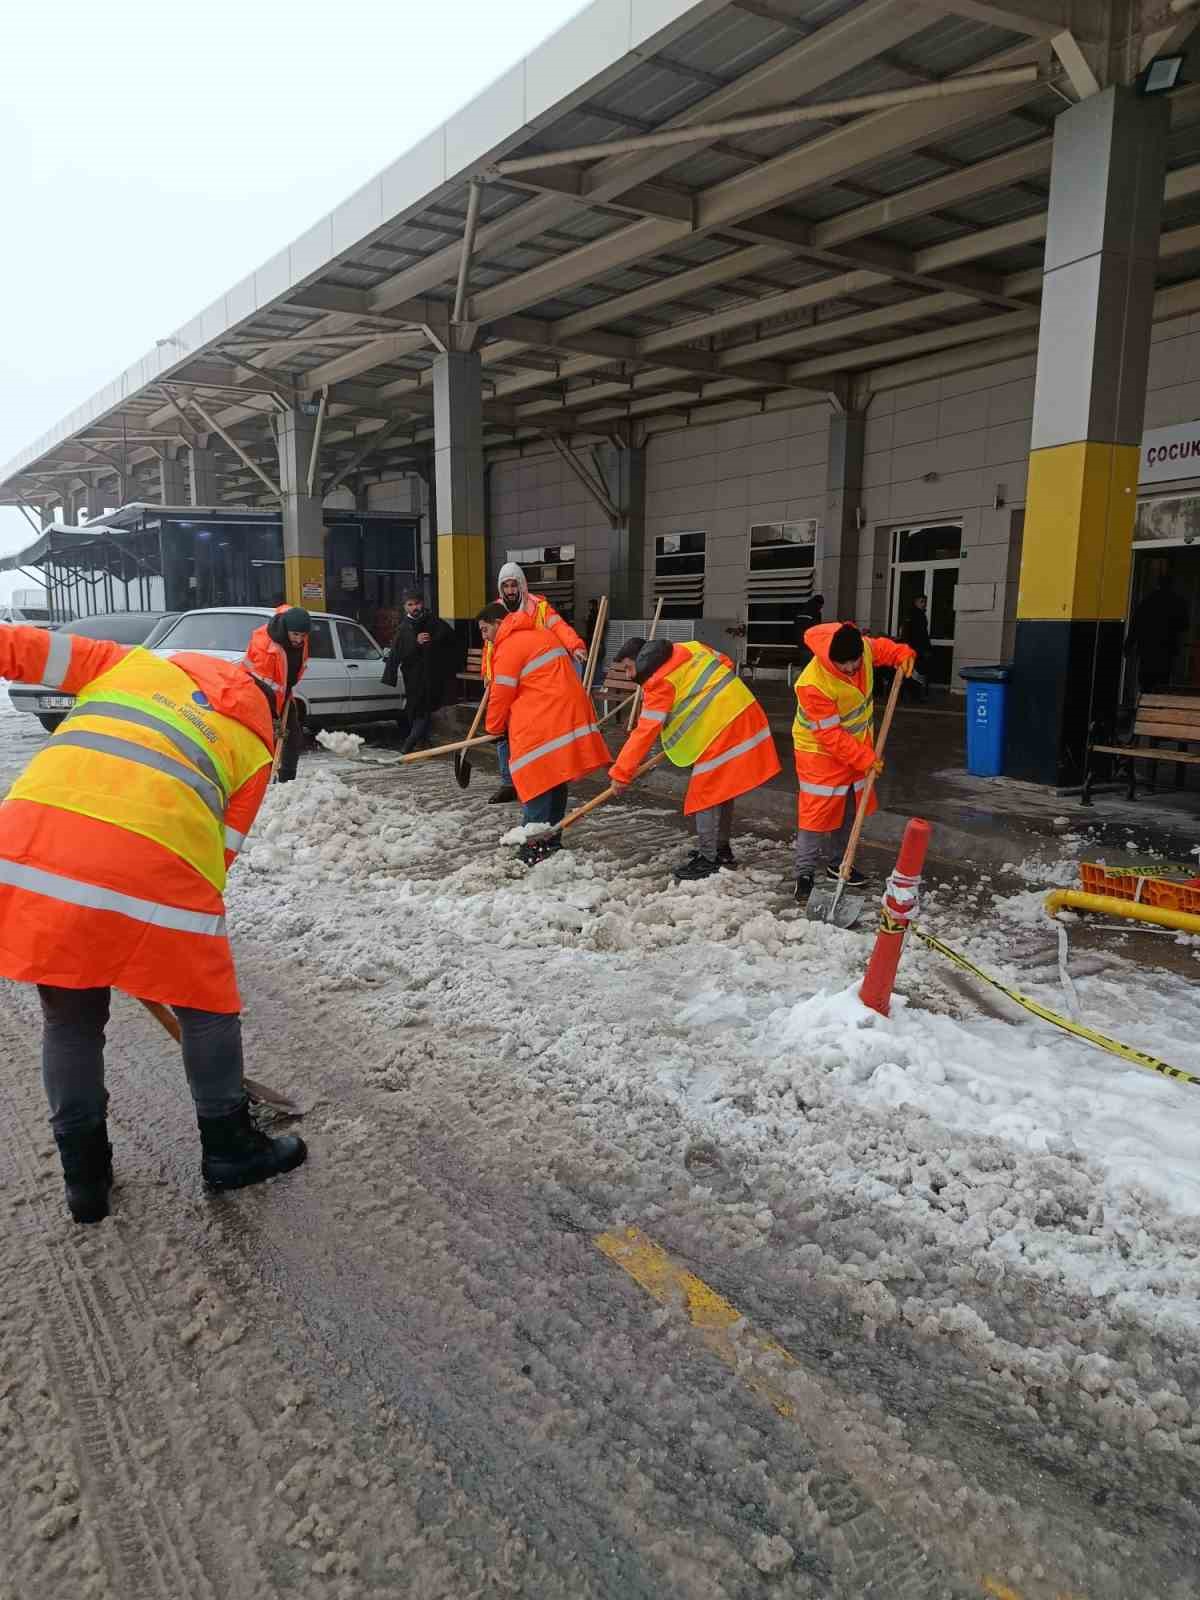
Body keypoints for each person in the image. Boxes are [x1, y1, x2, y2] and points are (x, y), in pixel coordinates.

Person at [0, 620, 307, 1225]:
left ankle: (85, 1181)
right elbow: (217, 856)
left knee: (69, 1020)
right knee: (206, 1007)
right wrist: (144, 936)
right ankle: (229, 1149)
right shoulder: (253, 746)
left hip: (31, 851)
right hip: (153, 866)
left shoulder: (125, 663)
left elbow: (15, 646)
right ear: (273, 706)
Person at [607, 636, 781, 881]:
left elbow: (644, 733)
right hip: (744, 713)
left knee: (704, 795)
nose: (628, 675)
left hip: (723, 728)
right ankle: (721, 849)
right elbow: (726, 663)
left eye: (628, 667)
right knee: (722, 791)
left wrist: (621, 773)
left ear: (642, 658)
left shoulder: (658, 682)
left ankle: (708, 859)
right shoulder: (691, 647)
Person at [792, 621, 915, 905]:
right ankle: (804, 874)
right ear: (830, 659)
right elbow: (830, 735)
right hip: (818, 752)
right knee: (816, 813)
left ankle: (839, 864)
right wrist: (864, 758)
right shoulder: (813, 684)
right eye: (842, 664)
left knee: (850, 806)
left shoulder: (864, 649)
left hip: (856, 746)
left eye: (854, 661)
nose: (850, 668)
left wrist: (902, 653)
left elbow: (882, 649)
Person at [477, 601, 609, 865]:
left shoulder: (509, 646)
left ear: (499, 623)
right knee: (556, 776)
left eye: (485, 630)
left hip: (542, 716)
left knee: (535, 777)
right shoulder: (540, 634)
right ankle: (551, 840)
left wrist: (494, 728)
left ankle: (533, 845)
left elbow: (501, 694)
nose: (484, 637)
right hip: (565, 712)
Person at [484, 563, 588, 805]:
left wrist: (575, 646)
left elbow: (560, 627)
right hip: (508, 676)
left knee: (531, 734)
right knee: (502, 731)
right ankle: (508, 782)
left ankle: (542, 778)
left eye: (513, 585)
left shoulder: (539, 607)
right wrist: (488, 674)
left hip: (535, 682)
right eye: (505, 586)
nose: (510, 591)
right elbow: (489, 646)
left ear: (522, 585)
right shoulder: (495, 611)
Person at [382, 589, 462, 752]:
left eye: (417, 603)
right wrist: (415, 642)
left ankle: (409, 745)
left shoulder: (434, 622)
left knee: (424, 709)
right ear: (405, 607)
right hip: (412, 677)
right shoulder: (403, 627)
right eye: (410, 604)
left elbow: (451, 641)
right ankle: (422, 742)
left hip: (432, 675)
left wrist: (433, 643)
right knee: (415, 709)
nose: (414, 607)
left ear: (422, 603)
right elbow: (398, 652)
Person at [241, 605, 312, 783]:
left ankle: (287, 781)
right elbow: (262, 683)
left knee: (293, 735)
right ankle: (258, 780)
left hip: (283, 694)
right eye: (295, 634)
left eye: (303, 635)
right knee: (265, 739)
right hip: (258, 693)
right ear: (286, 629)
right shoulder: (266, 647)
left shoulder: (299, 635)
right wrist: (273, 716)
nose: (299, 639)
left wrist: (288, 689)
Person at [1125, 571, 1189, 692]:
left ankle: (1146, 697)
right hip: (1166, 649)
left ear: (1158, 584)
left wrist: (1128, 645)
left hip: (1148, 648)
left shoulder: (1148, 601)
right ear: (1171, 584)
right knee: (1162, 683)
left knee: (1146, 682)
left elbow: (1136, 624)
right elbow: (1184, 625)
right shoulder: (1177, 602)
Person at [900, 594, 931, 699]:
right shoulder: (915, 615)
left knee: (915, 671)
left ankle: (913, 694)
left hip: (916, 648)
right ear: (916, 602)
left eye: (925, 602)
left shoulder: (917, 614)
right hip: (915, 648)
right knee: (915, 671)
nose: (924, 604)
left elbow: (922, 633)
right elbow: (917, 634)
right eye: (921, 601)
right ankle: (914, 695)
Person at [793, 594, 825, 672]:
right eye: (821, 606)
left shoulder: (801, 610)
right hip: (810, 644)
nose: (821, 608)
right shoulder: (815, 613)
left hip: (801, 642)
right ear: (819, 604)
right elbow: (817, 629)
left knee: (805, 666)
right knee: (811, 667)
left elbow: (796, 625)